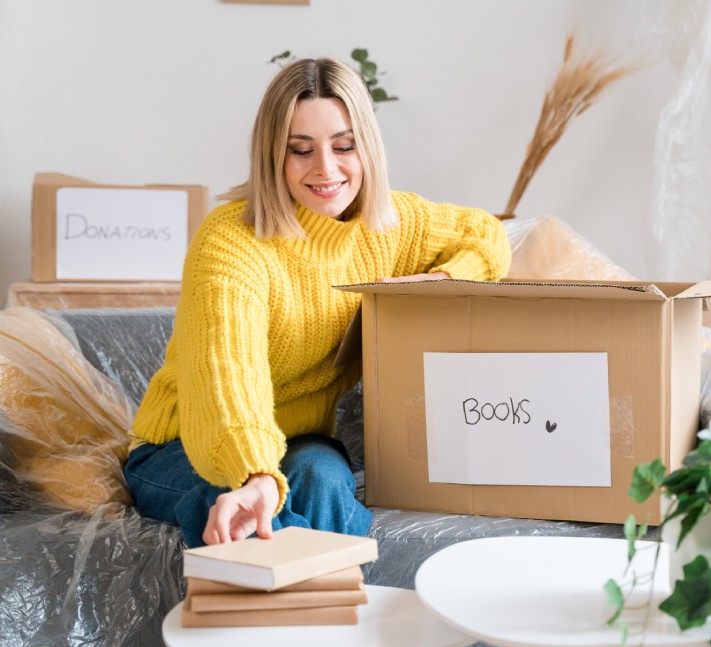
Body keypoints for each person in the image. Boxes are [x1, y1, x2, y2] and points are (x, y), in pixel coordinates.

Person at [124, 57, 511, 549]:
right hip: (189, 446)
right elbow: (227, 376)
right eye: (300, 150)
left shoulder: (391, 225)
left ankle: (328, 604)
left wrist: (439, 282)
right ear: (272, 157)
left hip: (300, 440)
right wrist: (254, 473)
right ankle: (318, 607)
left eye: (344, 146)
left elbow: (487, 235)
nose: (326, 169)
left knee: (324, 481)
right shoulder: (230, 241)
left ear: (366, 147)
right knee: (239, 505)